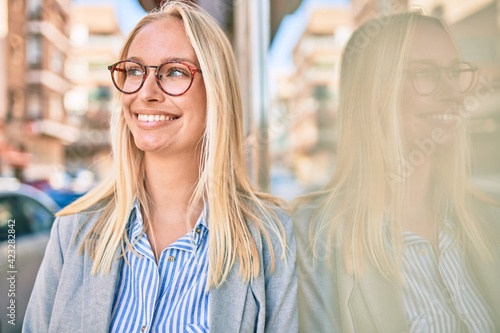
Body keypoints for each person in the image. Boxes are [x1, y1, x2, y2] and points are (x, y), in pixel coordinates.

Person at [23, 1, 297, 332]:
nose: (146, 92)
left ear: (216, 91)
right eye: (135, 71)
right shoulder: (72, 233)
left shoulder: (273, 240)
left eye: (175, 71)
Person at [294, 11, 500, 333]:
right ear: (376, 92)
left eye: (454, 72)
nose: (453, 93)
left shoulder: (490, 220)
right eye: (426, 74)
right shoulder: (313, 243)